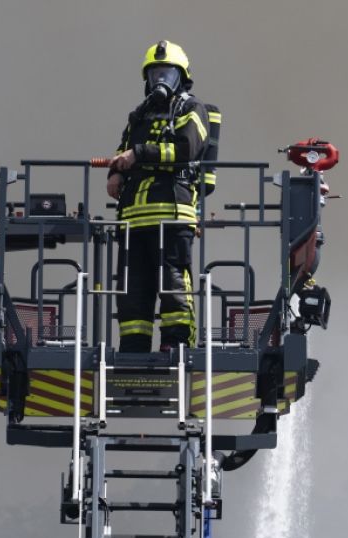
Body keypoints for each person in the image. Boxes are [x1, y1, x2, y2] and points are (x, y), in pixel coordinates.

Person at [107, 40, 212, 353]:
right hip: (132, 222)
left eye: (166, 73)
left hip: (172, 215)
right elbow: (120, 152)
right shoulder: (137, 116)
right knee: (131, 293)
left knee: (174, 287)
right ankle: (133, 348)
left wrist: (138, 154)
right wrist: (115, 172)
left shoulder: (192, 110)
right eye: (154, 74)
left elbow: (185, 149)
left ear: (181, 76)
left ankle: (176, 346)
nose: (160, 80)